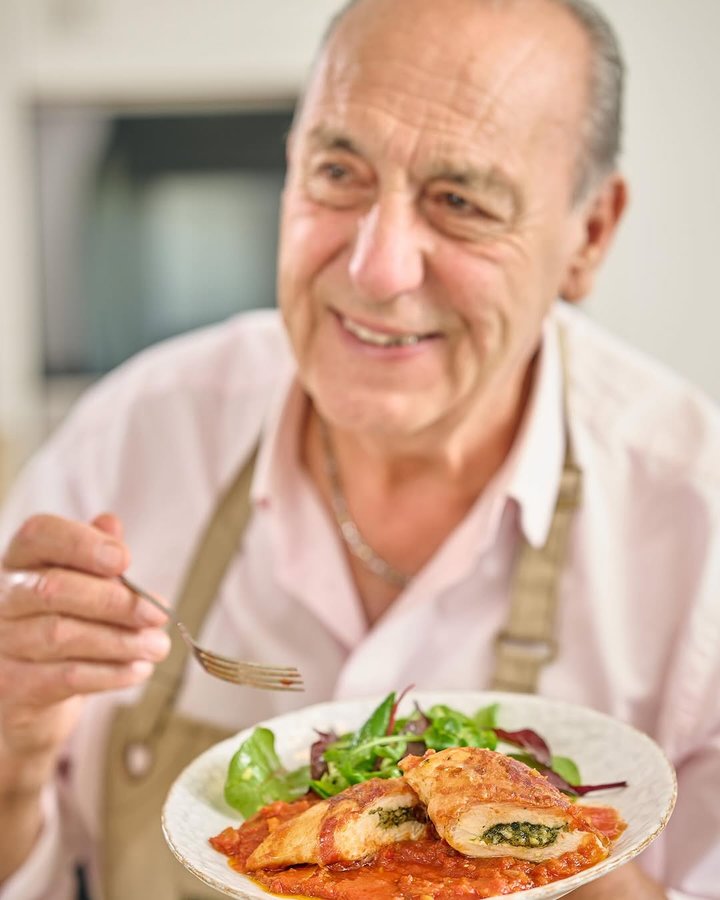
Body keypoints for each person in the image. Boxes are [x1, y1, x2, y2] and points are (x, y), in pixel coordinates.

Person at [0, 0, 718, 897]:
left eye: (460, 202)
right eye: (338, 172)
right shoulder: (130, 441)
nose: (377, 269)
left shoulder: (698, 526)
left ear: (591, 234)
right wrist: (12, 755)